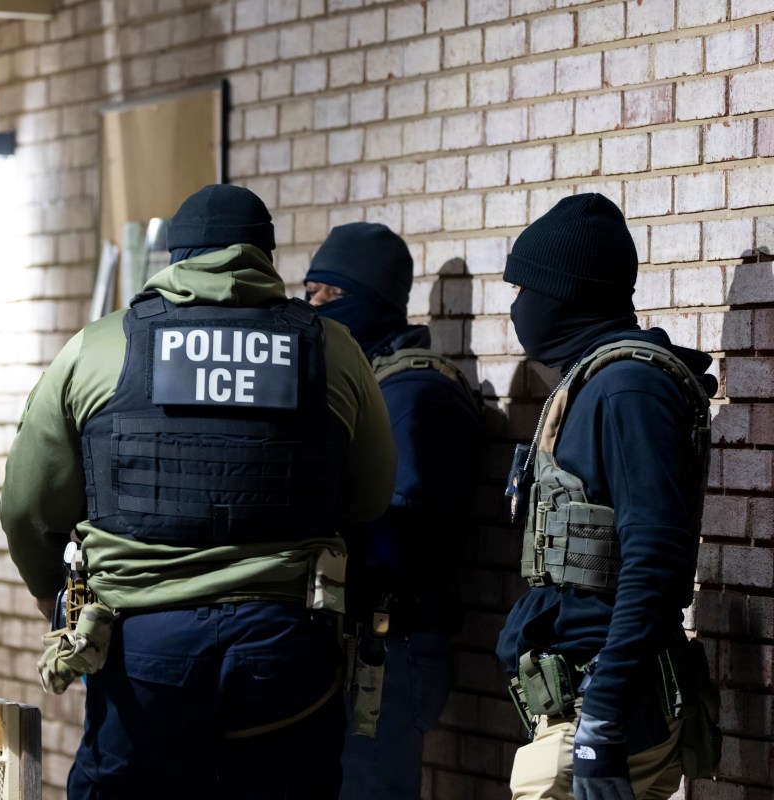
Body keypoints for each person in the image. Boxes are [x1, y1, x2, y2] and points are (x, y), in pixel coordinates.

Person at [0, 184, 397, 799]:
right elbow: (370, 497)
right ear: (264, 254)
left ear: (176, 254)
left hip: (142, 643)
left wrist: (51, 590)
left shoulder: (99, 347)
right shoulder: (333, 349)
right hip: (285, 643)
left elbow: (27, 507)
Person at [496, 193, 720, 800]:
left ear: (565, 293)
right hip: (582, 704)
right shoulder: (594, 382)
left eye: (524, 289)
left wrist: (603, 717)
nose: (517, 306)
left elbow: (654, 558)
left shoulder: (627, 390)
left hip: (606, 708)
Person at [303, 222, 484, 800]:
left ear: (375, 302)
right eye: (309, 291)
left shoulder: (417, 395)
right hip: (356, 642)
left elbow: (400, 541)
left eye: (332, 294)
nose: (314, 306)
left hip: (390, 649)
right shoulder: (364, 382)